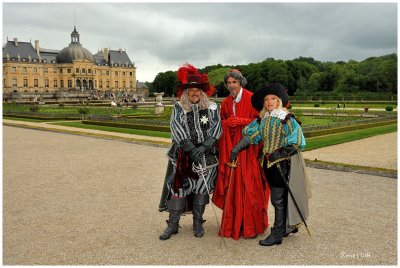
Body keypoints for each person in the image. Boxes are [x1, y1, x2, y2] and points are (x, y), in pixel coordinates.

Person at [230, 83, 311, 246]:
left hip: (282, 164)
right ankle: (288, 225)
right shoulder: (264, 119)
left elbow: (298, 141)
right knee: (280, 198)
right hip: (267, 164)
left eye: (273, 98)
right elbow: (252, 136)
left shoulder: (286, 118)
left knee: (278, 200)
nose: (269, 102)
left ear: (279, 101)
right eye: (266, 99)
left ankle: (278, 233)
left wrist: (277, 153)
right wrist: (237, 149)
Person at [158, 63, 222, 240]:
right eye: (191, 90)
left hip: (206, 156)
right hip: (184, 155)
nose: (195, 93)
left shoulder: (212, 108)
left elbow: (217, 129)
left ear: (202, 92)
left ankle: (197, 221)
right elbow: (176, 128)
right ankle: (173, 224)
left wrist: (203, 147)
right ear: (186, 92)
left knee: (202, 188)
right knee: (179, 188)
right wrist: (191, 149)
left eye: (197, 90)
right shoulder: (179, 107)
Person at [212, 69, 270, 240]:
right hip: (231, 148)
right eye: (228, 83)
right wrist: (227, 122)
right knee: (233, 184)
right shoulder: (225, 103)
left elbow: (262, 119)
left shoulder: (253, 98)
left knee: (250, 184)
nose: (231, 86)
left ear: (240, 82)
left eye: (234, 83)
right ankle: (233, 223)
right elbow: (220, 123)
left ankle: (251, 226)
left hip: (249, 148)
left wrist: (242, 121)